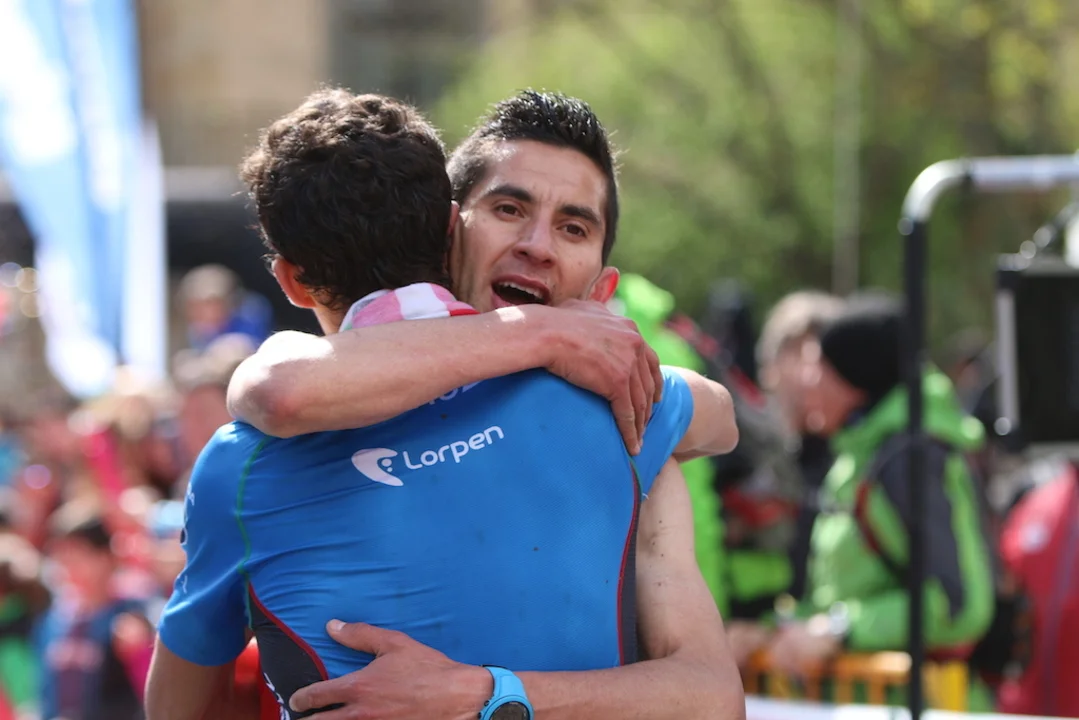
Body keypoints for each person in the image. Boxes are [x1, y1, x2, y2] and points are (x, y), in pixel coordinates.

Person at [147, 90, 741, 720]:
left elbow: (712, 695)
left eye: (573, 227)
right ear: (452, 230)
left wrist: (488, 694)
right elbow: (277, 389)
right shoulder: (620, 416)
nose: (537, 246)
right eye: (509, 209)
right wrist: (543, 331)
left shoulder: (625, 415)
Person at [763, 294, 994, 678]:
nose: (805, 380)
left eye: (818, 365)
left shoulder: (909, 460)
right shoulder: (860, 454)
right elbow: (842, 596)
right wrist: (770, 632)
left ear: (853, 380)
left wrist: (840, 628)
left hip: (924, 699)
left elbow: (958, 605)